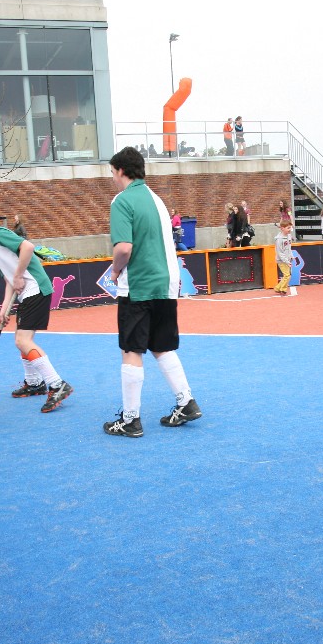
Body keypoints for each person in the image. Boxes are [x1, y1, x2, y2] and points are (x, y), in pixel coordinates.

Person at [103, 147, 202, 437]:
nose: (113, 178)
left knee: (131, 349)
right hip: (166, 283)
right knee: (161, 345)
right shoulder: (157, 199)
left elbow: (124, 248)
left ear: (121, 170)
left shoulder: (122, 201)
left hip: (139, 284)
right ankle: (186, 401)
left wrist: (115, 270)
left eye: (113, 172)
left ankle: (131, 419)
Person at [0, 211, 73, 412]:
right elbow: (9, 279)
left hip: (35, 289)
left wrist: (19, 275)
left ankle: (57, 384)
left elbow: (27, 247)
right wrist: (4, 308)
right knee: (21, 339)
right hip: (27, 293)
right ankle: (34, 382)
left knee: (22, 340)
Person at [273, 219, 294, 294]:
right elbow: (280, 252)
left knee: (287, 275)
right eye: (288, 228)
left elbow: (289, 247)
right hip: (281, 260)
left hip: (287, 259)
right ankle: (283, 289)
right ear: (282, 228)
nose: (290, 229)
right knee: (287, 275)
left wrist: (291, 256)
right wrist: (287, 261)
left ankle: (278, 288)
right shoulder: (279, 239)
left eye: (290, 227)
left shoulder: (289, 236)